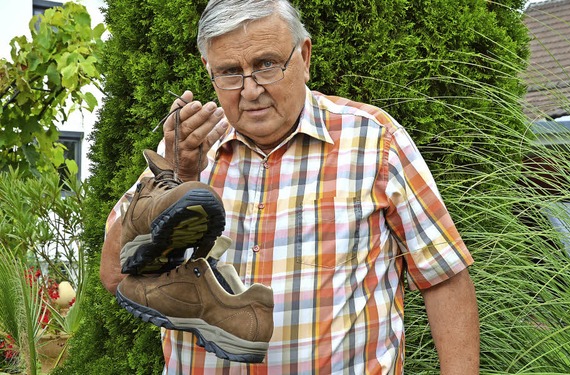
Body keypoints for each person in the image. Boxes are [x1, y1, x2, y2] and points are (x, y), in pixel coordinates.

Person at [100, 0, 480, 373]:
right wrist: (178, 172)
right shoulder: (190, 150)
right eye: (230, 72)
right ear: (208, 70)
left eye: (266, 65)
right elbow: (114, 274)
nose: (250, 90)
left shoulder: (373, 140)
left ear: (305, 57)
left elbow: (443, 276)